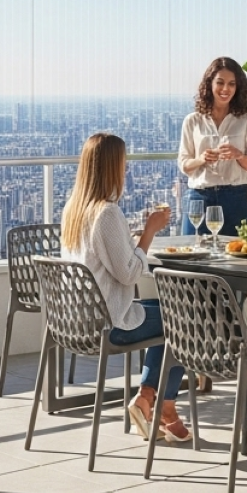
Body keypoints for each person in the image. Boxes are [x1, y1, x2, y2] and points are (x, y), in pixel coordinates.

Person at [62, 131, 189, 443]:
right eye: (123, 162)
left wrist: (130, 240)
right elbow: (130, 274)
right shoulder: (107, 213)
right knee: (185, 318)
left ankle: (158, 405)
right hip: (109, 324)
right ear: (110, 167)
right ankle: (153, 402)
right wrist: (149, 232)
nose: (127, 168)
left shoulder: (74, 209)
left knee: (171, 313)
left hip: (76, 322)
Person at [179, 57, 247, 238]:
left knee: (239, 252)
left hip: (236, 200)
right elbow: (184, 165)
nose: (225, 89)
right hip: (199, 199)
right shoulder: (193, 121)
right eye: (220, 82)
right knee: (192, 251)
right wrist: (201, 159)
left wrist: (238, 155)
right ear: (209, 84)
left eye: (232, 84)